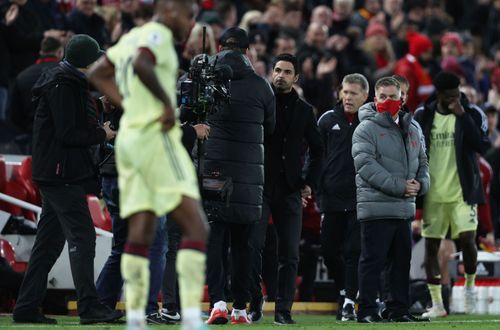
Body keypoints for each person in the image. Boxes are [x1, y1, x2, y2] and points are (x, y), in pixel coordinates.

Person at [87, 1, 209, 330]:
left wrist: (131, 107)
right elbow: (143, 63)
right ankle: (193, 319)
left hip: (129, 141)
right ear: (170, 8)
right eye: (188, 14)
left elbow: (97, 72)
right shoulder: (156, 35)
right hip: (156, 141)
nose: (191, 22)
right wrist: (164, 104)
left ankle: (137, 319)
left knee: (142, 231)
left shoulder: (131, 36)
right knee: (196, 227)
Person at [12, 34, 120, 325]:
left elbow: (67, 121)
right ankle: (89, 307)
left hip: (56, 172)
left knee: (48, 244)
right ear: (87, 61)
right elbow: (68, 134)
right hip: (62, 174)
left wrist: (96, 107)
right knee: (83, 237)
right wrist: (102, 134)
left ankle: (26, 307)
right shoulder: (65, 85)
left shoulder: (65, 81)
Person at [202, 27, 275, 325]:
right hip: (248, 177)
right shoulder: (261, 86)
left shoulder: (202, 80)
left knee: (215, 240)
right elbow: (270, 129)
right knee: (244, 244)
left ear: (219, 47)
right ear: (247, 52)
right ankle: (241, 308)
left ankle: (218, 302)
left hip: (214, 173)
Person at [248, 53, 323, 325]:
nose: (280, 75)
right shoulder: (259, 103)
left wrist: (308, 182)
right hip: (259, 186)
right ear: (271, 72)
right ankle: (256, 299)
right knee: (253, 246)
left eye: (287, 72)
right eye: (277, 70)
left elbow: (318, 150)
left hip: (290, 190)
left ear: (296, 77)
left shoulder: (304, 111)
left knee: (290, 253)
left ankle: (283, 309)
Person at [352, 76, 429, 323]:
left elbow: (423, 161)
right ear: (375, 99)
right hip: (377, 206)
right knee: (372, 262)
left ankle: (398, 309)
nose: (388, 101)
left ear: (402, 98)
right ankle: (366, 310)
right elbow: (365, 165)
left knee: (400, 263)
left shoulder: (413, 128)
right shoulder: (365, 128)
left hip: (404, 207)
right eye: (383, 97)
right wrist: (400, 186)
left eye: (393, 97)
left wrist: (421, 184)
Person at [414, 71, 491, 318]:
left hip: (462, 191)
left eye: (458, 94)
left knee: (469, 239)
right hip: (433, 193)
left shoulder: (471, 113)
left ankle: (469, 287)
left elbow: (482, 146)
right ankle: (437, 304)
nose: (455, 99)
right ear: (439, 95)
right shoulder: (423, 116)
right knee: (432, 247)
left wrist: (463, 117)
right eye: (450, 96)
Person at [94, 99, 169, 325]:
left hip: (113, 173)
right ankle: (145, 309)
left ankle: (101, 306)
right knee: (155, 246)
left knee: (122, 247)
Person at [317, 73, 369, 321]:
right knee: (328, 251)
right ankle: (344, 289)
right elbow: (316, 158)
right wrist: (315, 188)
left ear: (365, 96)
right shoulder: (327, 120)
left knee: (353, 251)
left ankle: (348, 300)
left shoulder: (371, 123)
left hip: (360, 198)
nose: (347, 97)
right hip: (331, 197)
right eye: (345, 92)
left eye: (353, 93)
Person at [8, 36, 64, 153]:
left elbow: (14, 114)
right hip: (61, 139)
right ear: (59, 52)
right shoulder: (65, 73)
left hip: (33, 136)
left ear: (41, 51)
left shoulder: (23, 76)